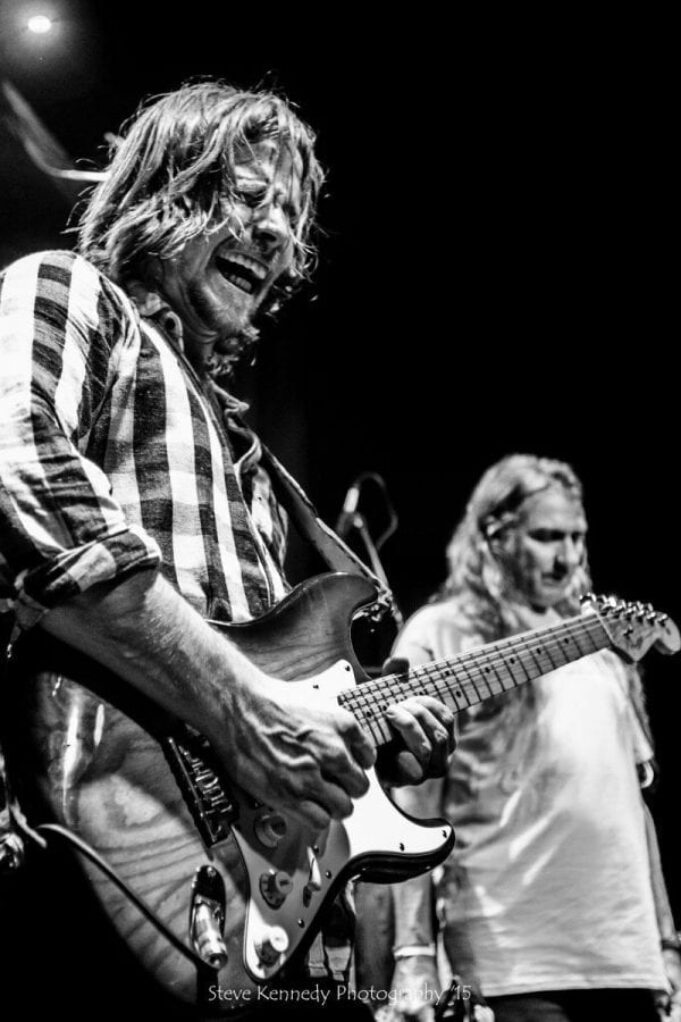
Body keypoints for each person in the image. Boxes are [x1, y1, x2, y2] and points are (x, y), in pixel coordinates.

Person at [0, 80, 455, 1019]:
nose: (278, 233)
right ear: (161, 194)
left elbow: (273, 683)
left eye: (289, 215)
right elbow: (15, 458)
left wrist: (362, 737)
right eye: (248, 197)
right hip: (99, 823)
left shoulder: (242, 452)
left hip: (255, 900)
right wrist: (244, 706)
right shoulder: (70, 291)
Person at [386, 454, 681, 1022]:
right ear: (494, 538)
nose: (566, 557)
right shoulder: (443, 632)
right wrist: (414, 955)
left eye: (576, 537)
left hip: (627, 963)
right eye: (546, 537)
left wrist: (666, 945)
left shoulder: (602, 645)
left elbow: (632, 806)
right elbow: (413, 808)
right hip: (512, 965)